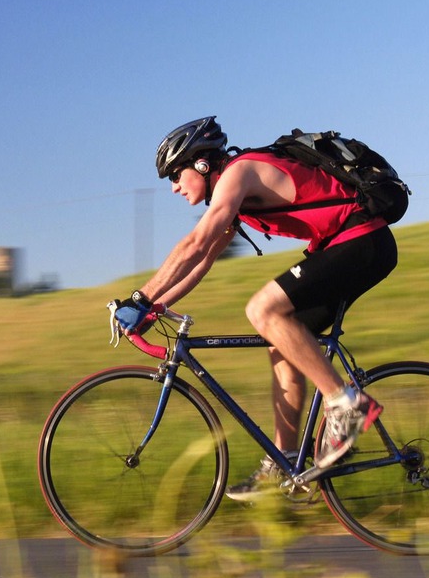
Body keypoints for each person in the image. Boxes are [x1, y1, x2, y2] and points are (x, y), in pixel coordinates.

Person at [110, 116, 398, 501]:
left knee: (262, 310)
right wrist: (155, 307)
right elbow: (203, 261)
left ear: (201, 164)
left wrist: (141, 298)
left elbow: (195, 243)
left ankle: (346, 405)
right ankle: (285, 460)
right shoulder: (234, 195)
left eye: (176, 175)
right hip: (352, 246)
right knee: (283, 342)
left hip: (362, 240)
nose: (175, 186)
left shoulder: (239, 173)